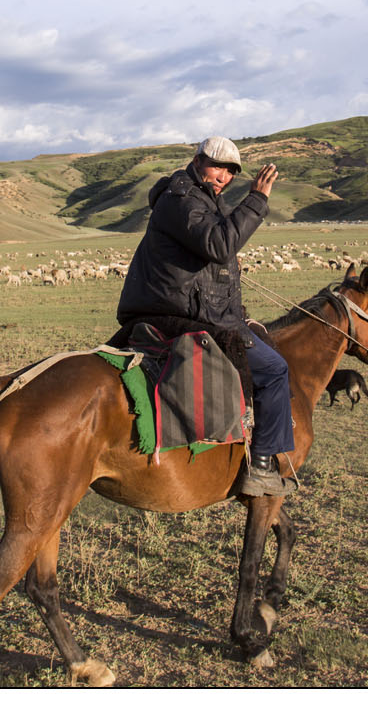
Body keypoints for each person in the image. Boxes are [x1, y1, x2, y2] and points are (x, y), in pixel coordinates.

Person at [116, 136, 295, 497]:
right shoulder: (181, 199)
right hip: (177, 312)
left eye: (231, 172)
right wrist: (257, 198)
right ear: (197, 161)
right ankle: (260, 467)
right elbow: (219, 244)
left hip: (182, 304)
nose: (223, 176)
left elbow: (211, 253)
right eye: (217, 166)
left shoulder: (198, 200)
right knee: (275, 369)